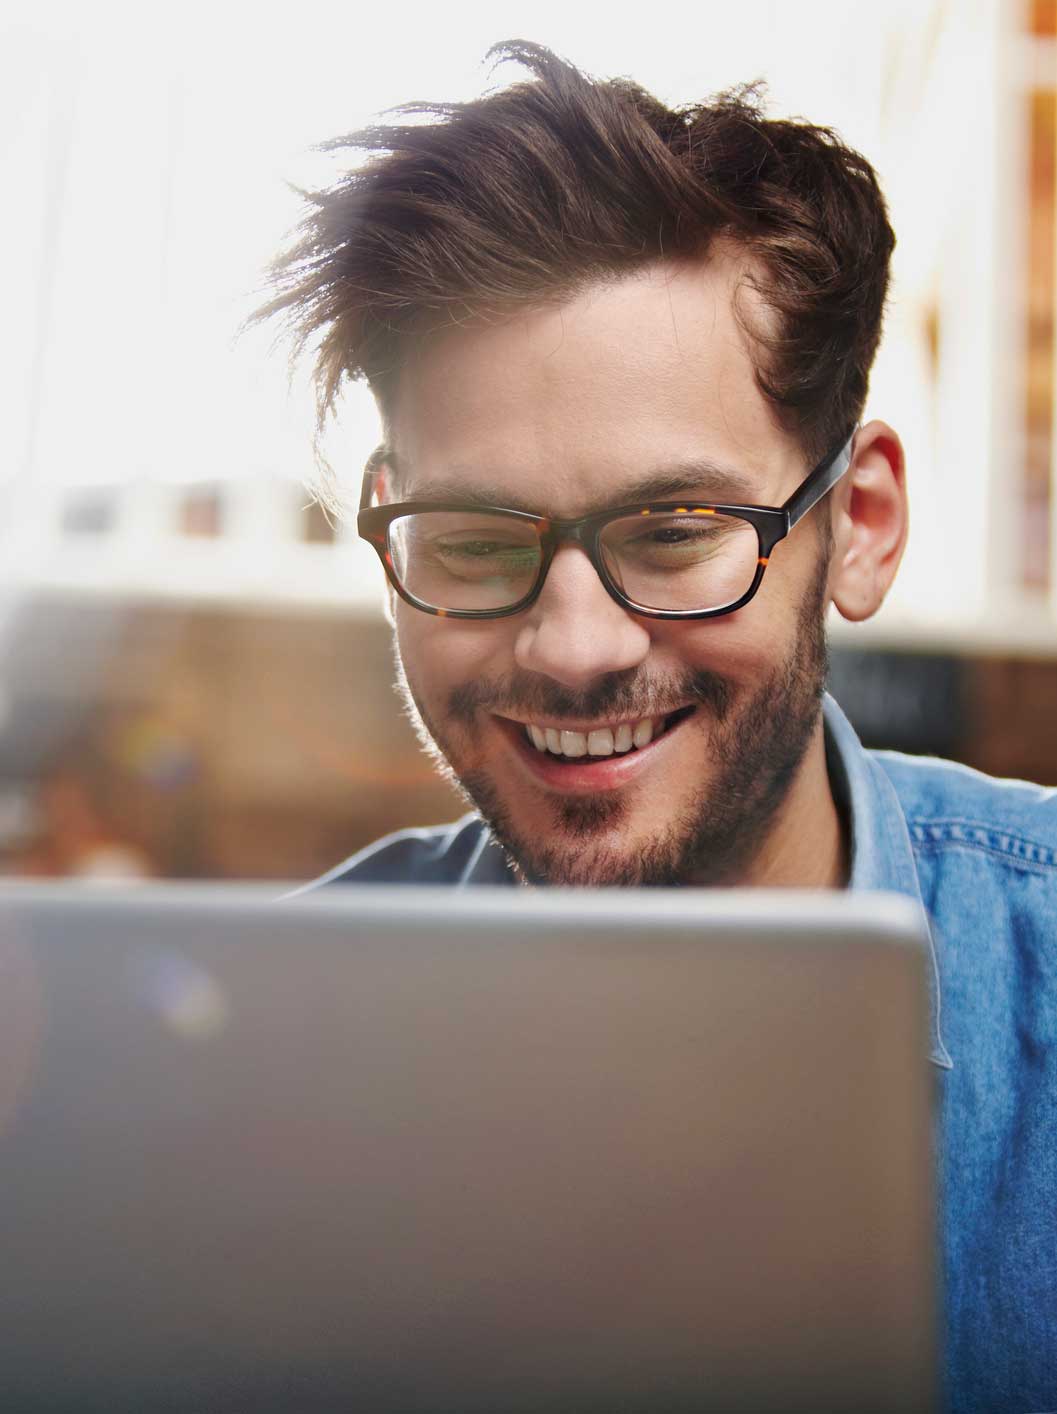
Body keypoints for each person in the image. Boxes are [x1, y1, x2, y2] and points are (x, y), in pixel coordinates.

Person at [260, 42, 1057, 1411]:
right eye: (470, 536)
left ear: (855, 524)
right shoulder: (254, 1053)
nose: (573, 646)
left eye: (675, 528)